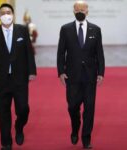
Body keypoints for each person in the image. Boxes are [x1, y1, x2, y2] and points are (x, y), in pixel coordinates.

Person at [0, 3, 36, 150]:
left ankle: (19, 127)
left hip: (20, 79)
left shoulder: (22, 30)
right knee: (4, 112)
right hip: (2, 80)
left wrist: (32, 71)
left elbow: (29, 52)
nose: (6, 15)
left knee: (23, 109)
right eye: (3, 13)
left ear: (13, 14)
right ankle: (6, 143)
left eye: (9, 12)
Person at [57, 0, 105, 149]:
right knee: (72, 107)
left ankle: (86, 139)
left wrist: (101, 72)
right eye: (77, 9)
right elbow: (61, 52)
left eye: (83, 9)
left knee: (89, 108)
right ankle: (75, 127)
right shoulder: (65, 29)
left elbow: (99, 53)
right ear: (73, 10)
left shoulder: (95, 29)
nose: (80, 12)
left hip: (90, 76)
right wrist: (61, 71)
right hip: (72, 76)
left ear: (87, 11)